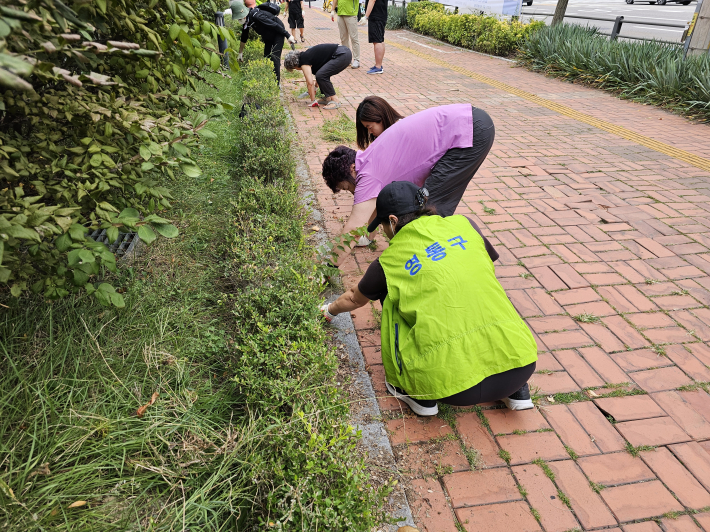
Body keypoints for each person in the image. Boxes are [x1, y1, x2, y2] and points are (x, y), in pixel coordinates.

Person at [320, 181, 537, 415]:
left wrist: (329, 310)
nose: (383, 233)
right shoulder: (466, 224)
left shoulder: (390, 261)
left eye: (382, 225)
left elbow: (354, 298)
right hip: (521, 364)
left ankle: (417, 394)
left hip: (452, 388)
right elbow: (485, 262)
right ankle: (517, 391)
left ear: (392, 221)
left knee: (392, 296)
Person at [322, 101, 495, 264]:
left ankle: (461, 257)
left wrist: (329, 268)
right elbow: (373, 207)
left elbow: (353, 227)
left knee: (428, 208)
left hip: (469, 130)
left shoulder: (368, 174)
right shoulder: (368, 158)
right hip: (469, 121)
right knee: (426, 204)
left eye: (346, 186)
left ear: (351, 169)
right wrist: (368, 237)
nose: (353, 192)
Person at [233, 0, 296, 84]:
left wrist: (288, 35)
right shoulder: (247, 21)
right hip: (268, 35)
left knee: (275, 57)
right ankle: (269, 79)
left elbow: (274, 25)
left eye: (240, 18)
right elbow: (244, 36)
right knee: (267, 56)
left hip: (278, 32)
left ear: (244, 14)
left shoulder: (257, 16)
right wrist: (240, 53)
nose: (239, 20)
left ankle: (277, 84)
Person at [284, 45, 351, 110]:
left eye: (294, 68)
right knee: (321, 74)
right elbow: (319, 76)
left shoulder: (303, 61)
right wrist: (315, 88)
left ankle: (335, 100)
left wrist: (313, 101)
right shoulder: (307, 56)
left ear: (294, 65)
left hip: (342, 55)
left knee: (321, 75)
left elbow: (310, 82)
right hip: (344, 52)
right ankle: (328, 98)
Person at [331, 0, 361, 69]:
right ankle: (347, 59)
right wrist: (333, 10)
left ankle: (356, 59)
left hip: (351, 14)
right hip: (340, 13)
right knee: (343, 38)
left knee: (354, 38)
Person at [363, 0, 387, 74]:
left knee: (377, 41)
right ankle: (379, 64)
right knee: (380, 39)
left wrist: (366, 16)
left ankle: (378, 67)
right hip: (382, 14)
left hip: (376, 16)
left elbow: (372, 0)